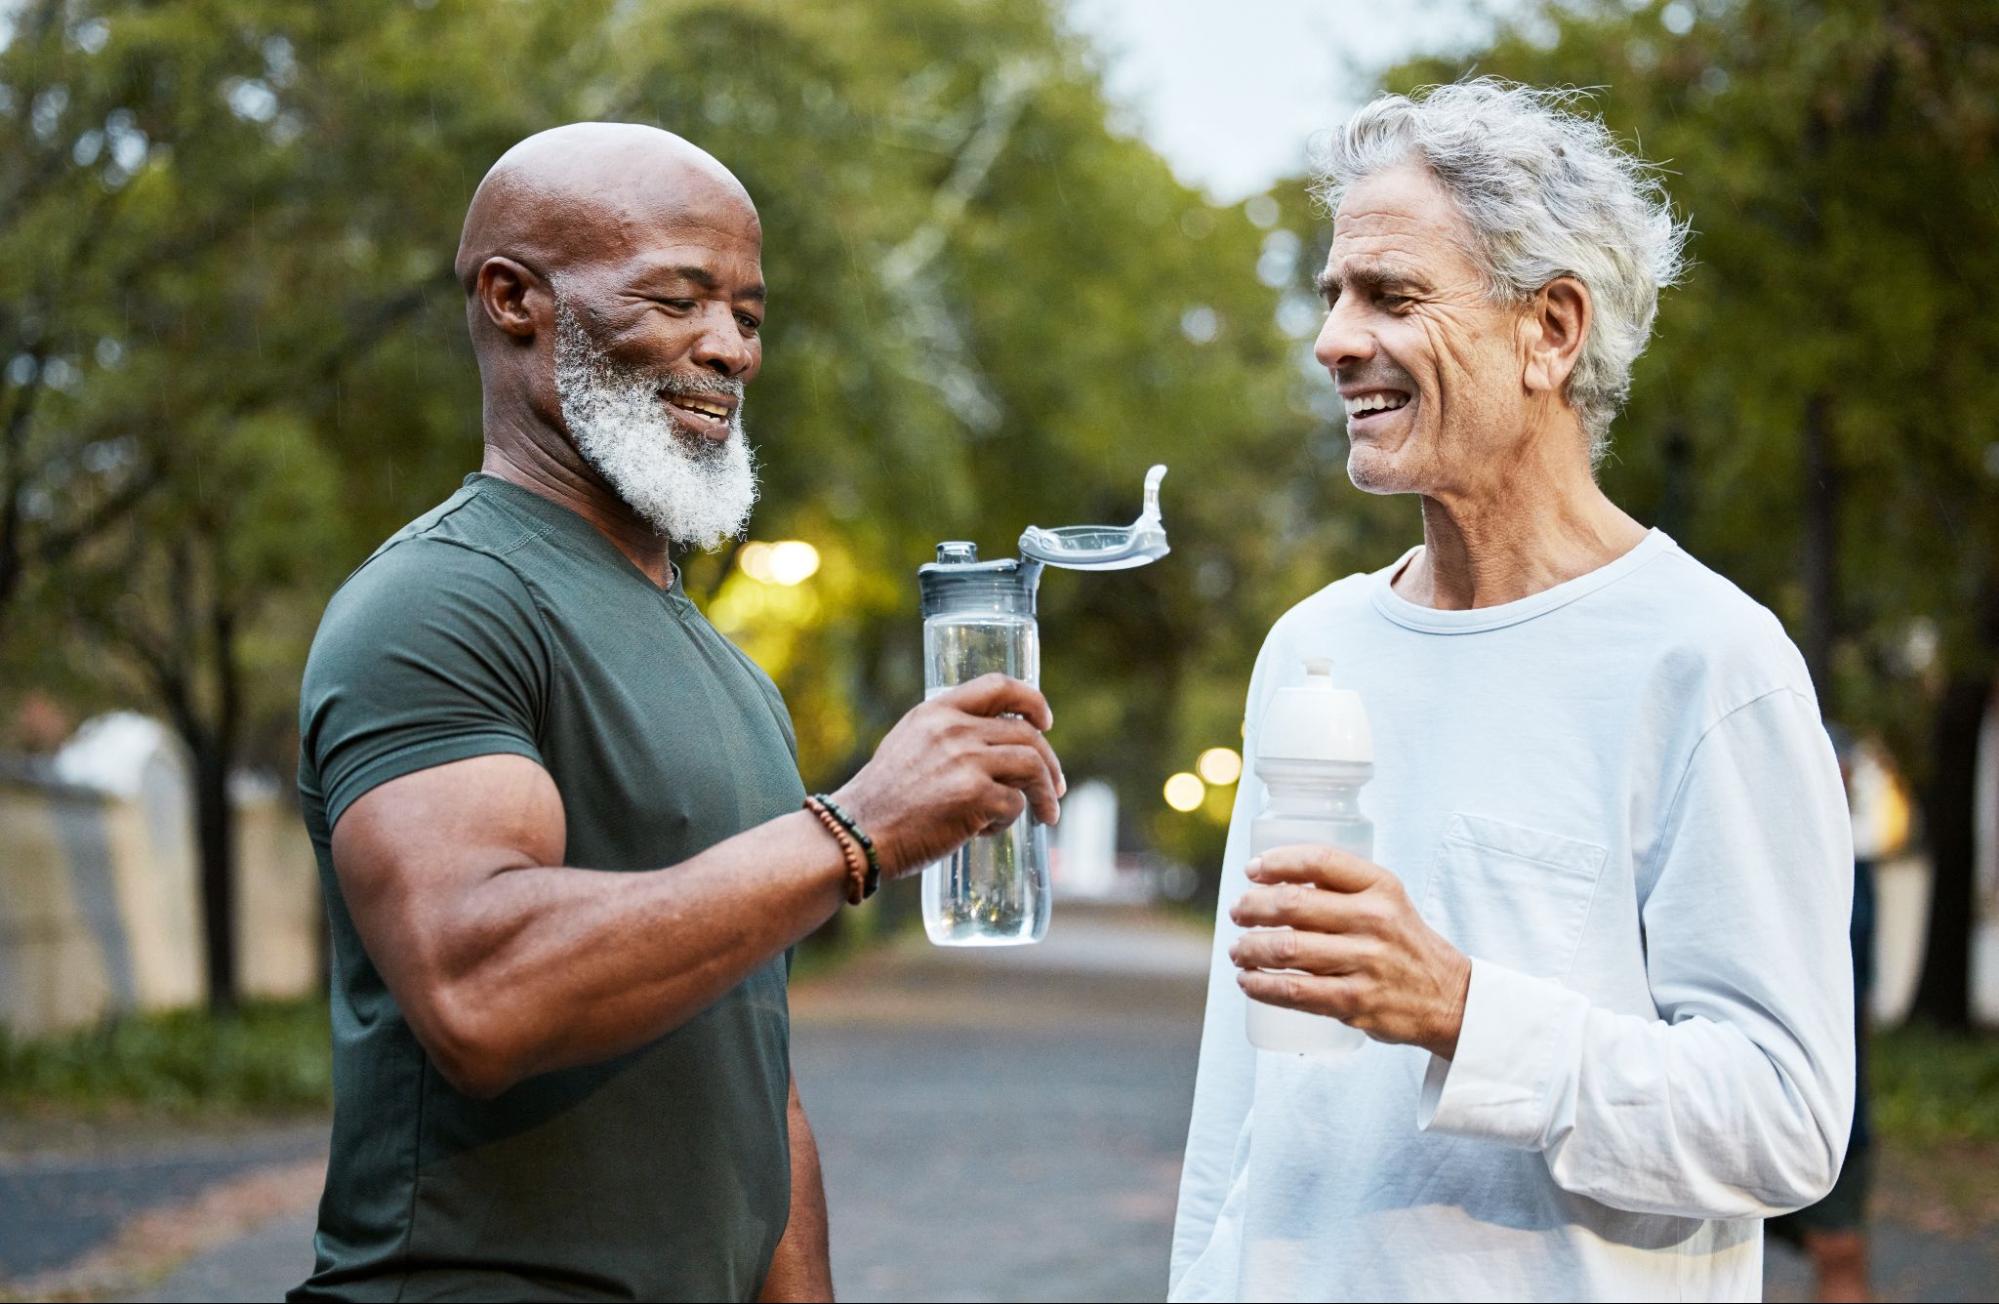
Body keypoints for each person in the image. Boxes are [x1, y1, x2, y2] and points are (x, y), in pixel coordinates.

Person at [289, 123, 1064, 1302]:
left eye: (748, 315)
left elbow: (754, 1068)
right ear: (515, 299)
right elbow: (478, 988)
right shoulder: (438, 602)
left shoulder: (725, 668)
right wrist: (853, 828)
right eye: (677, 299)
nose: (729, 350)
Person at [1171, 80, 1855, 1301]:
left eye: (1389, 295)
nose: (1332, 339)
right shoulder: (1311, 646)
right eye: (1332, 295)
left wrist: (1459, 1009)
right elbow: (1241, 1090)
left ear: (1549, 329)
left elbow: (1785, 1120)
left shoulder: (1709, 661)